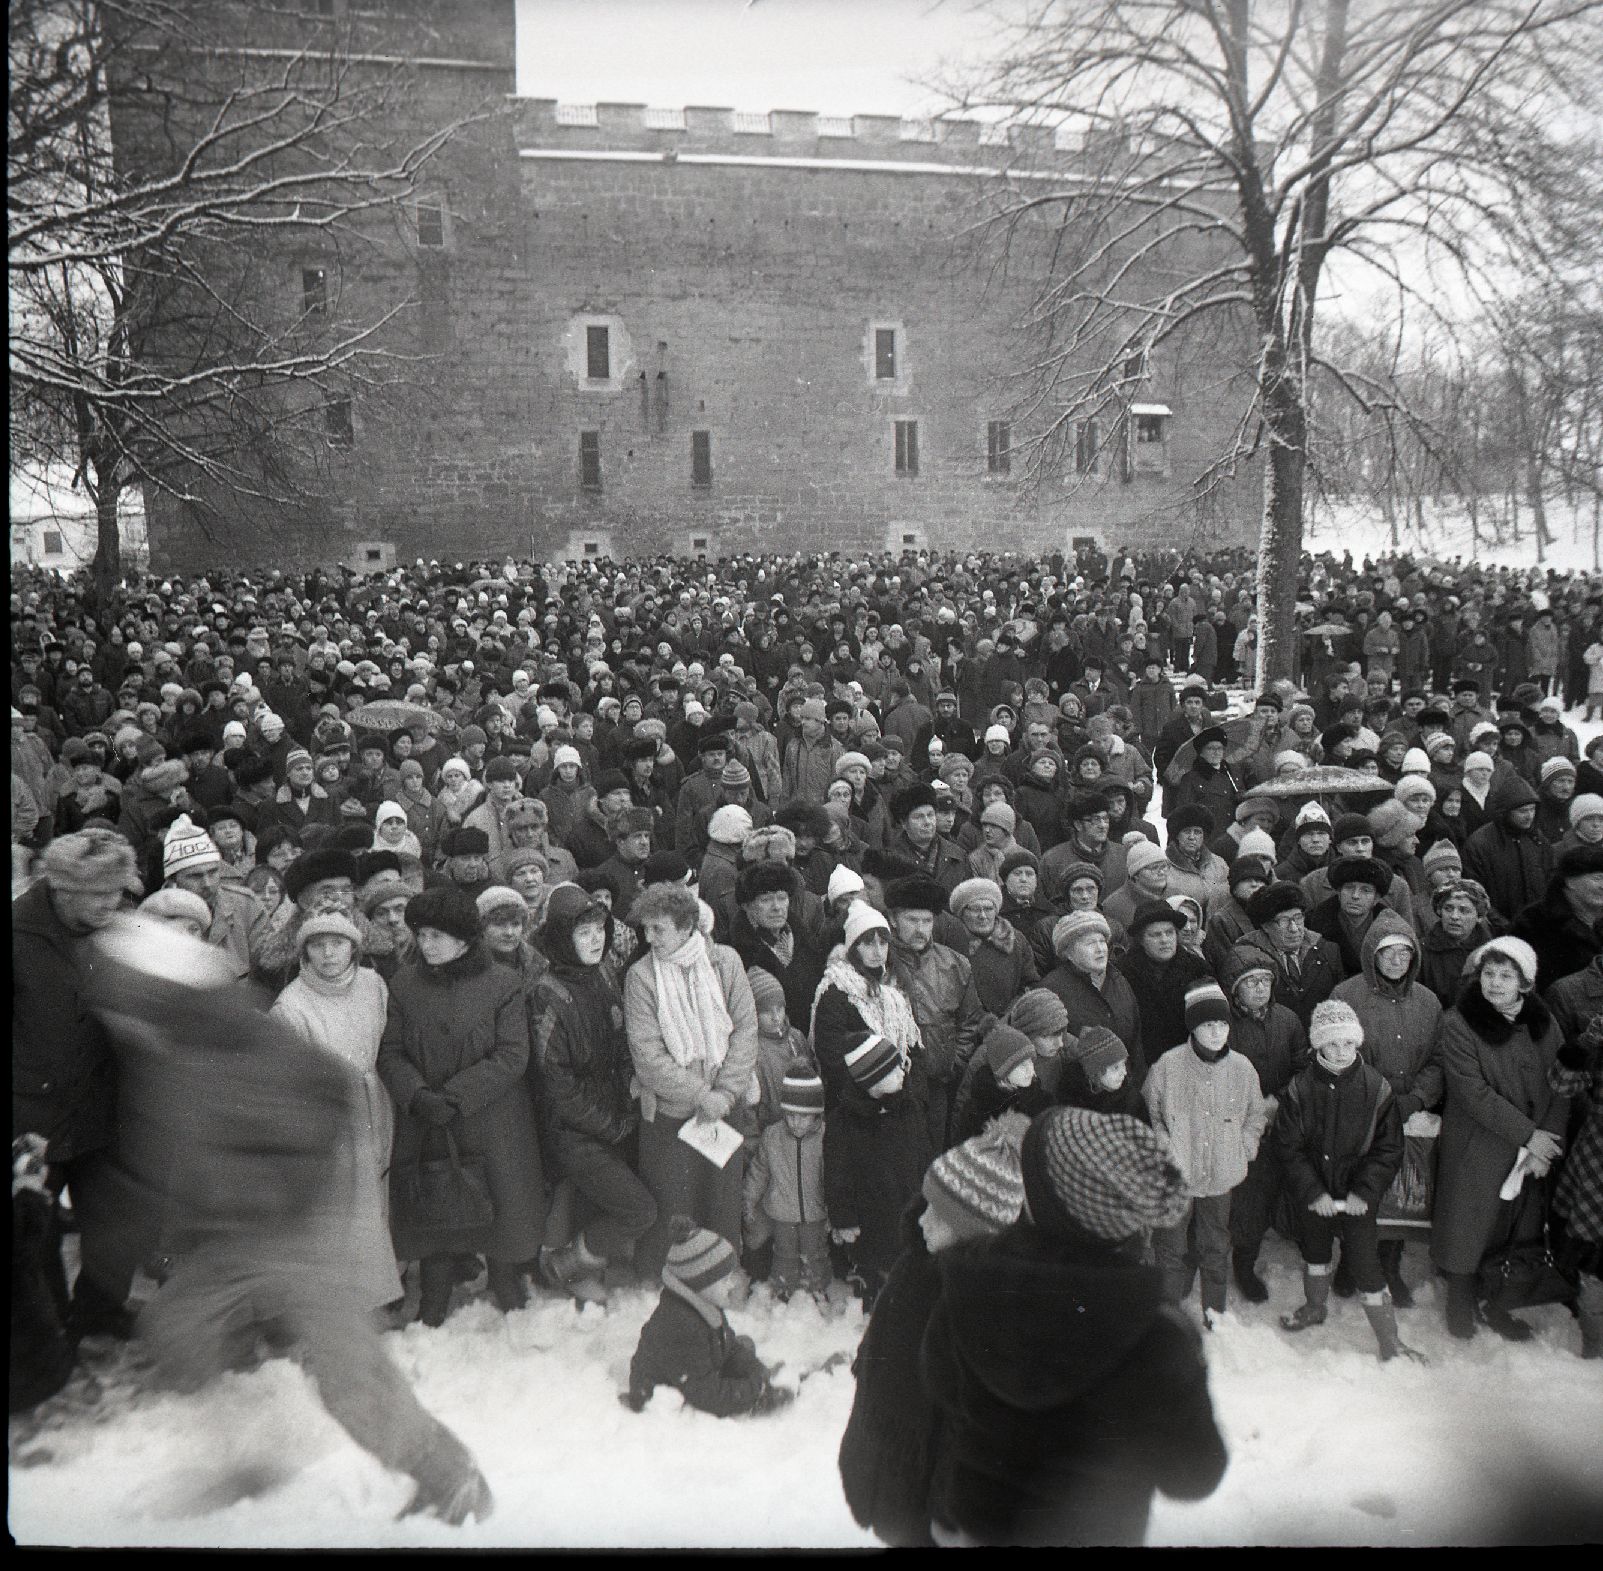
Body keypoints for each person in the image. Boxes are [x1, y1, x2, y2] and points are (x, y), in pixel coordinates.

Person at [84, 918, 491, 1524]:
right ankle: (249, 1458)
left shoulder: (238, 1037)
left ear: (158, 994)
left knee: (349, 1373)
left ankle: (449, 1477)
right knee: (177, 1328)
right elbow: (163, 1151)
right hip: (222, 1242)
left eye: (126, 1001)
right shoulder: (161, 1053)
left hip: (290, 1233)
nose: (117, 1018)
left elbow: (324, 1089)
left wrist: (282, 1187)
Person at [919, 1107, 1226, 1546]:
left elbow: (942, 1387)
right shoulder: (1159, 1334)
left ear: (1042, 1200)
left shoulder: (970, 1282)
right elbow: (1193, 1476)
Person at [837, 1115, 1027, 1547]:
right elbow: (889, 1324)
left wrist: (949, 1512)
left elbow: (974, 1432)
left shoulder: (982, 1312)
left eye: (938, 1217)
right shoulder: (918, 1262)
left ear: (971, 1234)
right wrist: (867, 1362)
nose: (922, 1222)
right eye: (925, 1206)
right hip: (881, 1459)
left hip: (926, 1499)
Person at [378, 885, 547, 1325]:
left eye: (435, 935)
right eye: (421, 934)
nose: (425, 944)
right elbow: (390, 1051)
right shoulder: (404, 984)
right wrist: (416, 1095)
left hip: (491, 1118)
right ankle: (434, 1294)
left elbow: (512, 1054)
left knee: (501, 1204)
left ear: (463, 938)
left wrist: (455, 1097)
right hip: (429, 1118)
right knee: (439, 1205)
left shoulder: (503, 984)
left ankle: (504, 1277)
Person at [13, 826, 147, 1341]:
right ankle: (49, 1327)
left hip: (101, 1106)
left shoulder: (116, 929)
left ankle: (99, 1309)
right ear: (62, 889)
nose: (110, 904)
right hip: (32, 1117)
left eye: (117, 892)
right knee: (36, 1233)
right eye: (98, 894)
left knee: (114, 1220)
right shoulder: (19, 934)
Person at [1431, 937, 1570, 1342]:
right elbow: (1472, 1091)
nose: (1494, 983)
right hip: (1479, 1143)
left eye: (1505, 975)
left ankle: (1498, 1298)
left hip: (1533, 1147)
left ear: (1524, 983)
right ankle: (1460, 1297)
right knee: (1468, 1222)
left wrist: (1546, 1143)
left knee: (1514, 1226)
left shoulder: (1544, 1022)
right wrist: (1529, 1134)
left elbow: (1561, 1082)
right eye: (1488, 974)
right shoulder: (1459, 1022)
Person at [528, 883, 658, 1304]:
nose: (595, 939)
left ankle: (590, 1267)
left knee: (605, 1205)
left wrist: (629, 1097)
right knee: (639, 1210)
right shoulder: (547, 995)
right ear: (563, 938)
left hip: (613, 1119)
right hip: (576, 1131)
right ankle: (563, 1265)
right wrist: (612, 1124)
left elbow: (621, 1046)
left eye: (598, 929)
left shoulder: (603, 974)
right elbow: (557, 1086)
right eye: (582, 933)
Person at [623, 881, 758, 1281]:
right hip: (670, 1114)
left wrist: (726, 1093)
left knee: (722, 1200)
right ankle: (665, 1281)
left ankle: (722, 1277)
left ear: (686, 927)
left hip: (723, 1109)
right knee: (673, 1205)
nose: (649, 939)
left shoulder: (725, 962)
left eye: (658, 929)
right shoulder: (642, 976)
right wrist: (702, 1095)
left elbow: (745, 1030)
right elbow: (647, 1055)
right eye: (645, 929)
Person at [270, 912, 403, 1315]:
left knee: (382, 1187)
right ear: (305, 952)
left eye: (338, 944)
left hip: (377, 1095)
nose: (328, 954)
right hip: (330, 1108)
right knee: (348, 1199)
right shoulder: (291, 1004)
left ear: (354, 949)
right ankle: (358, 1291)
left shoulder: (372, 984)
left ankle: (388, 1277)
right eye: (317, 945)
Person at [1275, 1000, 1422, 1362]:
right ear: (1317, 1046)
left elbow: (1389, 1148)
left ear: (1357, 1044)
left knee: (1365, 1262)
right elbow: (1288, 1147)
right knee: (1315, 1252)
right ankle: (1315, 1306)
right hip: (1317, 1196)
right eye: (1331, 1044)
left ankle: (1390, 1340)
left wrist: (1365, 1191)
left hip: (1358, 1197)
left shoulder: (1377, 1087)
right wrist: (1312, 1191)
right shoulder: (1300, 1088)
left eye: (1347, 1044)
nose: (1340, 1052)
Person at [810, 902, 934, 1303]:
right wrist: (873, 1095)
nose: (877, 950)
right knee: (862, 1192)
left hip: (897, 1109)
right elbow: (832, 1057)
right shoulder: (835, 993)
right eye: (867, 942)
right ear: (852, 947)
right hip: (858, 1113)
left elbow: (914, 1050)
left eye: (882, 941)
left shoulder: (893, 995)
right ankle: (861, 1268)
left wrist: (904, 1094)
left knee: (900, 1187)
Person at [1143, 981, 1269, 1327]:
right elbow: (1151, 1112)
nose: (1217, 1032)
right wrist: (1165, 1149)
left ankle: (1215, 1312)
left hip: (1220, 1175)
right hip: (1176, 1176)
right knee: (1170, 1246)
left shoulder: (1242, 1069)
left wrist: (1244, 1146)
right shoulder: (1167, 1066)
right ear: (1192, 1027)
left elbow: (1256, 1114)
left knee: (1215, 1245)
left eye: (1223, 1024)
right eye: (1208, 1024)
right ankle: (1167, 1314)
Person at [625, 1218, 789, 1417]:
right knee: (727, 1385)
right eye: (724, 1280)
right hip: (668, 1393)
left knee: (744, 1346)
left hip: (693, 1371)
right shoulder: (681, 1326)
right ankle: (755, 1398)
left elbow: (728, 1346)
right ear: (699, 1283)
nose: (731, 1285)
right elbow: (706, 1393)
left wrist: (756, 1370)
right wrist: (754, 1390)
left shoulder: (703, 1303)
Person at [741, 1061, 830, 1298]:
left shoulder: (825, 1138)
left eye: (803, 1116)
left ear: (816, 1115)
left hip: (815, 1213)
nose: (795, 1122)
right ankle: (784, 1286)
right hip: (781, 1212)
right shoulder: (773, 1136)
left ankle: (816, 1288)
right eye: (790, 1115)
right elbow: (759, 1171)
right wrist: (748, 1199)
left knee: (815, 1252)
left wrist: (833, 1210)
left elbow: (830, 1178)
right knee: (784, 1254)